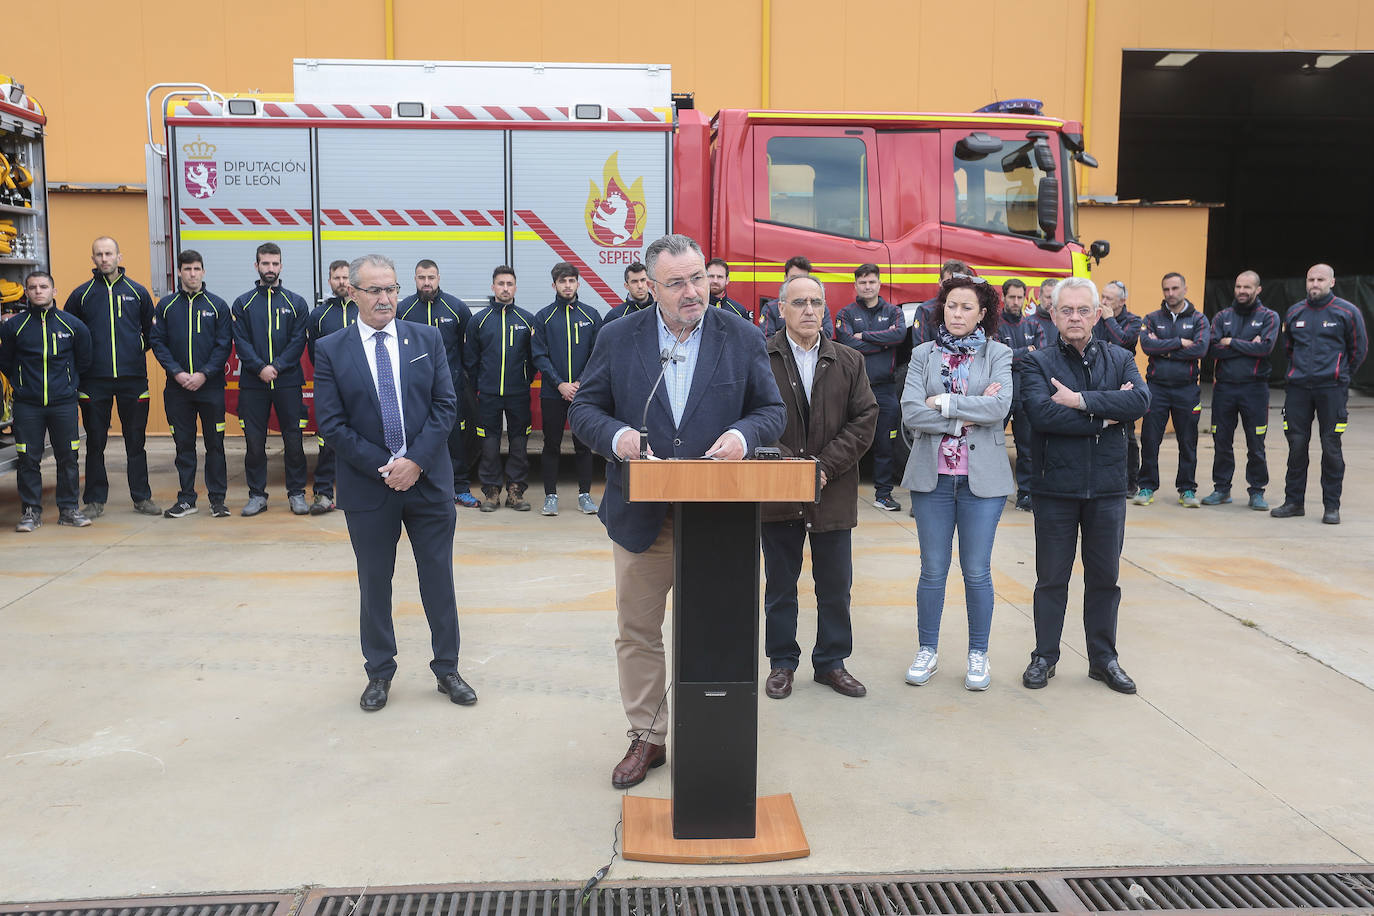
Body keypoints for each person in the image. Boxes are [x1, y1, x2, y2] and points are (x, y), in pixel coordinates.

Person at [568, 233, 784, 790]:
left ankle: (714, 733)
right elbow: (586, 409)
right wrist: (618, 437)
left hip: (718, 515)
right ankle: (648, 735)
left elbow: (771, 410)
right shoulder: (619, 337)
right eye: (677, 283)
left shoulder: (741, 335)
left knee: (717, 628)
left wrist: (743, 435)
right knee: (638, 630)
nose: (693, 292)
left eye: (698, 279)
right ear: (652, 286)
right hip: (643, 516)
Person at [312, 254, 476, 712]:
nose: (385, 298)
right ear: (353, 294)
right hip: (369, 487)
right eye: (374, 290)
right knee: (374, 584)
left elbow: (446, 405)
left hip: (428, 482)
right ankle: (379, 672)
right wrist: (388, 466)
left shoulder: (426, 338)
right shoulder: (330, 349)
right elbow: (332, 423)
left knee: (438, 580)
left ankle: (448, 668)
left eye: (391, 289)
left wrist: (415, 462)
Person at [1020, 277, 1150, 694]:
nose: (1074, 317)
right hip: (1054, 488)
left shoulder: (1121, 357)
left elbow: (1140, 401)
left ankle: (1103, 659)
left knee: (1104, 580)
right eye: (1066, 310)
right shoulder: (1037, 363)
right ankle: (1044, 656)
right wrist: (1108, 413)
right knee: (1051, 579)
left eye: (1082, 310)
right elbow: (1041, 415)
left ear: (1097, 314)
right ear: (1053, 314)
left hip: (1107, 488)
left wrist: (1080, 401)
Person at [762, 273, 877, 700]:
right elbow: (751, 416)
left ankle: (831, 662)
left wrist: (823, 467)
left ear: (825, 307)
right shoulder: (761, 358)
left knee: (835, 587)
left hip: (833, 490)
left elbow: (865, 419)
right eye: (798, 303)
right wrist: (791, 468)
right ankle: (781, 662)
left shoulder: (849, 360)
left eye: (815, 302)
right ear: (781, 309)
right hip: (778, 492)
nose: (808, 310)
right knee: (780, 586)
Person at [900, 275, 1013, 691]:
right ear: (941, 309)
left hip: (982, 482)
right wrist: (963, 417)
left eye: (967, 307)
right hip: (932, 479)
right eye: (951, 306)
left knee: (976, 570)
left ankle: (978, 653)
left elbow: (1000, 407)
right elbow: (911, 412)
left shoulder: (999, 353)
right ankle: (927, 650)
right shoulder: (923, 355)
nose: (958, 314)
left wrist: (944, 403)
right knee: (932, 569)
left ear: (982, 314)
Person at [63, 236, 159, 518]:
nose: (104, 259)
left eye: (109, 253)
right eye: (99, 254)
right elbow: (70, 333)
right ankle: (95, 500)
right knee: (95, 442)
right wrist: (86, 364)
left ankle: (142, 498)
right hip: (94, 381)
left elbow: (151, 332)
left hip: (133, 379)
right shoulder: (81, 295)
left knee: (135, 442)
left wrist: (135, 348)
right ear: (93, 258)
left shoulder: (138, 292)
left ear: (119, 256)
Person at [1271, 263, 1368, 525]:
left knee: (1331, 447)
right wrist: (1298, 373)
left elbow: (1359, 349)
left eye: (1320, 280)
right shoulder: (1295, 312)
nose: (1315, 284)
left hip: (1331, 390)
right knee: (1296, 445)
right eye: (1311, 279)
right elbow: (1288, 348)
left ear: (1332, 282)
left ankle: (1331, 506)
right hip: (1298, 390)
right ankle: (1294, 502)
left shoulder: (1347, 312)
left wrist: (1340, 375)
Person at [0, 272, 93, 531]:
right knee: (28, 459)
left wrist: (68, 385)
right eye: (33, 287)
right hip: (27, 405)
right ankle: (31, 512)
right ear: (26, 293)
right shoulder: (13, 327)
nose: (38, 291)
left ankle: (69, 509)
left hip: (63, 403)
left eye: (43, 287)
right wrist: (22, 384)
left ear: (54, 291)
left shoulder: (73, 325)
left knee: (68, 457)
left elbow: (84, 360)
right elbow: (5, 361)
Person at [149, 250, 232, 519]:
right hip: (178, 390)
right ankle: (186, 499)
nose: (192, 274)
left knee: (215, 445)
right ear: (179, 272)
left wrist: (204, 374)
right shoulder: (166, 306)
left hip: (211, 388)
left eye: (197, 269)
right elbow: (157, 342)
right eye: (187, 269)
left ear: (203, 271)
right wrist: (176, 372)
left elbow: (224, 345)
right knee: (184, 447)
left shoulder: (218, 306)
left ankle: (218, 501)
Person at [232, 242, 311, 517]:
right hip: (253, 384)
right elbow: (240, 341)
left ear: (281, 266)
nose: (270, 268)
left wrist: (276, 367)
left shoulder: (296, 303)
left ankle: (297, 494)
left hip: (288, 382)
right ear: (256, 266)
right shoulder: (242, 303)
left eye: (275, 263)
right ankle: (257, 495)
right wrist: (259, 368)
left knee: (294, 441)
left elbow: (298, 341)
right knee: (254, 444)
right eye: (265, 263)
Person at [398, 259, 477, 508]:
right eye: (422, 278)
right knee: (417, 437)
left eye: (431, 277)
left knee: (455, 437)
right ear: (415, 279)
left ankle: (460, 487)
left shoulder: (457, 308)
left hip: (449, 389)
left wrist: (460, 377)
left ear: (438, 278)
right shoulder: (403, 310)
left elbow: (467, 348)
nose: (426, 283)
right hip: (414, 391)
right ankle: (420, 487)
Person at [1203, 270, 1278, 510]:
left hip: (1255, 390)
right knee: (1221, 441)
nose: (1242, 291)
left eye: (1247, 287)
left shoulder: (1269, 317)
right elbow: (1211, 349)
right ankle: (1221, 489)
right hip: (1224, 389)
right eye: (1238, 287)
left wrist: (1231, 341)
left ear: (1258, 290)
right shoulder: (1222, 316)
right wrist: (1248, 345)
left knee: (1256, 443)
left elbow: (1265, 348)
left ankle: (1257, 491)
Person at [531, 261, 602, 516]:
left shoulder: (591, 316)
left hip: (584, 394)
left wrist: (580, 383)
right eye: (563, 281)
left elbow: (597, 354)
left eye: (572, 281)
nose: (568, 285)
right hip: (553, 393)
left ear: (578, 283)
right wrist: (560, 384)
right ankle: (550, 496)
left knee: (583, 445)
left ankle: (585, 495)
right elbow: (539, 356)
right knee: (552, 444)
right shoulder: (543, 317)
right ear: (554, 285)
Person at [835, 263, 906, 511]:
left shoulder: (894, 312)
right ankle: (841, 495)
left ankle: (883, 495)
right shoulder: (845, 313)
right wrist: (883, 342)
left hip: (885, 390)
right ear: (855, 285)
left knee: (885, 444)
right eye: (863, 282)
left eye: (871, 282)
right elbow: (846, 344)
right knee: (847, 441)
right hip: (853, 389)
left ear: (879, 284)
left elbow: (899, 336)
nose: (867, 286)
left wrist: (864, 336)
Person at [1136, 271, 1210, 508]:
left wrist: (1164, 350)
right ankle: (1146, 486)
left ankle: (1187, 489)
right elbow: (1147, 346)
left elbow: (1200, 349)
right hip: (1156, 388)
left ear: (1185, 289)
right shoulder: (1152, 318)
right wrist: (1178, 343)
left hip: (1186, 390)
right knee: (1150, 439)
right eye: (1166, 289)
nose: (1170, 293)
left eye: (1175, 288)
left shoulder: (1199, 319)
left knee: (1187, 441)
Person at [465, 265, 536, 511]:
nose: (505, 289)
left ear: (515, 288)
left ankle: (515, 491)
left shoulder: (527, 320)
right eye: (501, 284)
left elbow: (534, 358)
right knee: (489, 444)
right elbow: (471, 359)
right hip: (488, 395)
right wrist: (480, 387)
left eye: (509, 284)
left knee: (519, 443)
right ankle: (491, 492)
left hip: (518, 394)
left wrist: (524, 379)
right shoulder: (479, 321)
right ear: (493, 286)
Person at [306, 260, 358, 514]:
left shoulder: (364, 310)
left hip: (361, 387)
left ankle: (360, 494)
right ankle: (323, 493)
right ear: (329, 282)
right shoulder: (319, 315)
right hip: (331, 388)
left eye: (345, 277)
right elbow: (314, 353)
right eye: (336, 278)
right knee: (327, 441)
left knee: (362, 440)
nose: (341, 282)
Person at [996, 278, 1043, 510]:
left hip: (1026, 393)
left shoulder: (1033, 325)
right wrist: (1027, 351)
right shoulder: (994, 326)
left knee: (1027, 447)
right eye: (1012, 297)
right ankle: (991, 492)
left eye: (1020, 297)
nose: (1016, 302)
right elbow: (998, 357)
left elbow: (1040, 357)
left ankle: (1025, 494)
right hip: (1001, 393)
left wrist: (1014, 354)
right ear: (1003, 297)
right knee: (991, 444)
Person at [1093, 280, 1143, 496]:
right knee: (1097, 429)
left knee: (1127, 435)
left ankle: (1131, 482)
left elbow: (1122, 342)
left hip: (1123, 381)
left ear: (1122, 301)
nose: (1103, 302)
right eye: (1102, 296)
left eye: (1109, 299)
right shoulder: (1095, 317)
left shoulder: (1133, 320)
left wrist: (1109, 319)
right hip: (1098, 379)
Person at [759, 256, 834, 338]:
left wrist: (781, 334)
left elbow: (828, 335)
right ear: (785, 278)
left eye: (802, 278)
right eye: (793, 278)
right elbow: (766, 338)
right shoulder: (771, 308)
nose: (809, 311)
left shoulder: (819, 305)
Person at [906, 259, 972, 348]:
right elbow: (920, 348)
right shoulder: (925, 310)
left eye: (957, 283)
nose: (952, 287)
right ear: (940, 282)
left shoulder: (973, 310)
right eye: (948, 282)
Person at [1024, 278, 1059, 350]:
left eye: (1055, 297)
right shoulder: (1027, 323)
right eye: (1048, 297)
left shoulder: (1068, 323)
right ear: (1039, 297)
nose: (1052, 301)